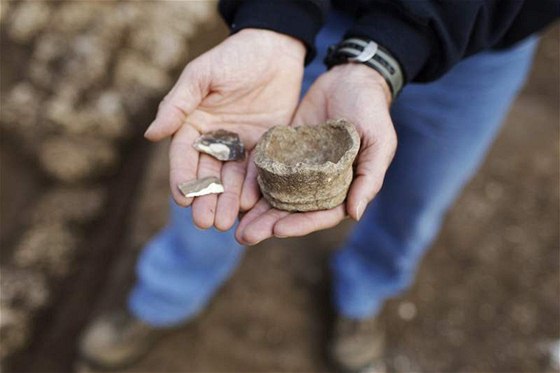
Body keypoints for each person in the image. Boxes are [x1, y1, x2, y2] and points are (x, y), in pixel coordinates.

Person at [78, 1, 558, 372]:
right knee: (214, 189)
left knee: (416, 202)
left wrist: (394, 45)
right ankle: (165, 297)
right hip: (313, 19)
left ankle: (361, 297)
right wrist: (275, 17)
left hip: (477, 46)